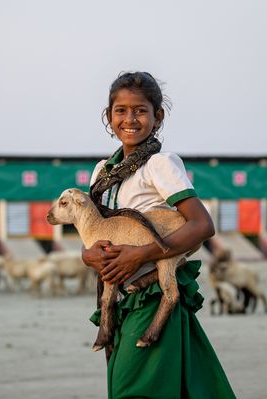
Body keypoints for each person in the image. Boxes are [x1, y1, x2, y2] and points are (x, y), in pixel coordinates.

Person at [82, 71, 236, 399]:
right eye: (120, 110)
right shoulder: (102, 171)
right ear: (108, 117)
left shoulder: (159, 165)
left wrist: (140, 255)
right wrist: (87, 255)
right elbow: (95, 234)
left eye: (140, 110)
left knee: (134, 391)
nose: (130, 119)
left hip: (151, 296)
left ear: (158, 116)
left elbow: (201, 225)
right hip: (117, 300)